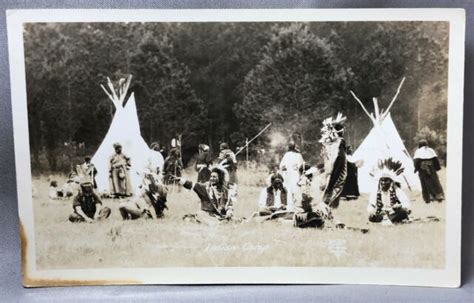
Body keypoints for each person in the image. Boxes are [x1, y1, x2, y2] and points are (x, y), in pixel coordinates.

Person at [367, 158, 411, 224]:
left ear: (391, 182)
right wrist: (371, 212)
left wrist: (400, 206)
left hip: (394, 212)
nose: (383, 183)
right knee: (371, 218)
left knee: (403, 212)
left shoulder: (397, 190)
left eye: (386, 180)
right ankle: (387, 220)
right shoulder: (376, 191)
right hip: (382, 213)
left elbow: (405, 202)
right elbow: (371, 204)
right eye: (382, 180)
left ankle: (389, 220)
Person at [319, 113, 347, 208]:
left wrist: (330, 185)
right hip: (333, 175)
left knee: (328, 199)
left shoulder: (336, 145)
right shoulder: (336, 144)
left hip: (334, 175)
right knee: (327, 197)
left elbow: (336, 164)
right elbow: (335, 162)